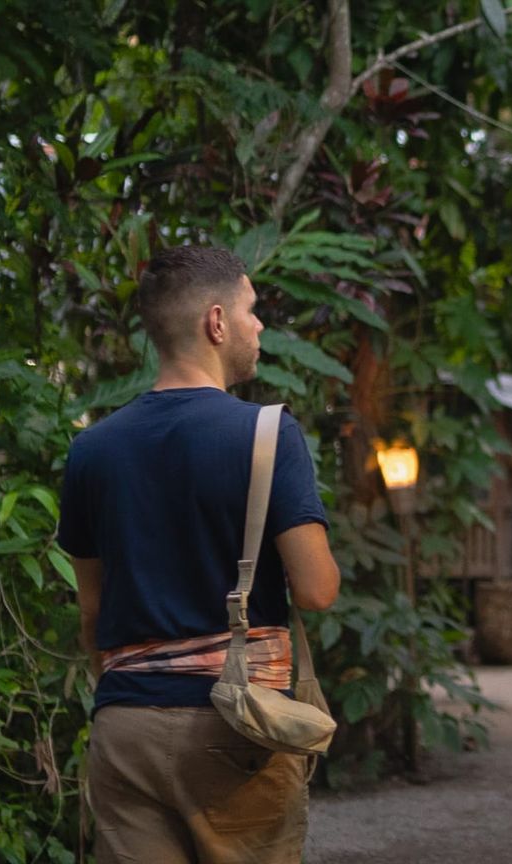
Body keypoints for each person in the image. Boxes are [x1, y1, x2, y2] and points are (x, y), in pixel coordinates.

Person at [56, 245, 340, 864]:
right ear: (216, 323)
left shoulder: (92, 451)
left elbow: (92, 613)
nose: (259, 325)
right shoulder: (267, 435)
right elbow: (317, 590)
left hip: (124, 726)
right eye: (251, 310)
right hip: (233, 726)